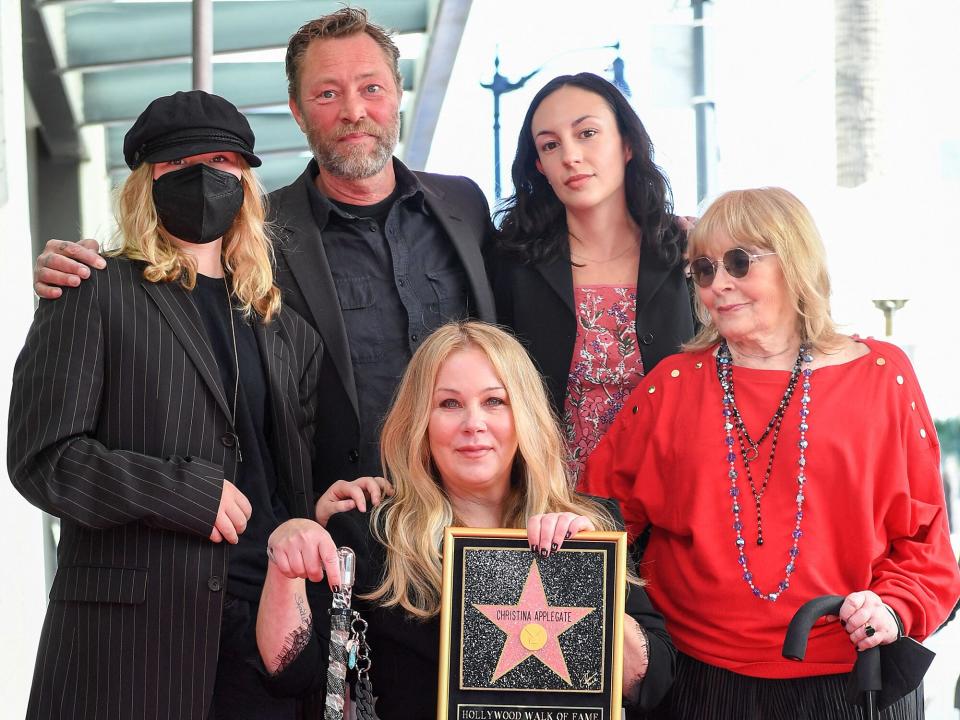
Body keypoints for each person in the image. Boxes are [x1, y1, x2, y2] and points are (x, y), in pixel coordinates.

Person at [30, 7, 496, 492]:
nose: (353, 111)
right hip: (345, 518)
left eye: (371, 87)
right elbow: (176, 296)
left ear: (397, 92)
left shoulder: (463, 205)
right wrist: (76, 267)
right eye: (327, 93)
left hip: (473, 507)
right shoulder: (249, 236)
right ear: (297, 110)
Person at [580, 187, 960, 719]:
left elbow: (925, 543)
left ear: (796, 261)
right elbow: (598, 522)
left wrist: (894, 609)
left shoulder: (882, 376)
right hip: (699, 682)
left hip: (848, 683)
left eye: (740, 262)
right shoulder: (672, 385)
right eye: (705, 269)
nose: (720, 285)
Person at [7, 90, 327, 719]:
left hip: (263, 624)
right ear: (146, 182)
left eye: (223, 163)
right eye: (181, 165)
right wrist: (180, 493)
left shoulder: (283, 327)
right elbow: (42, 458)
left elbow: (290, 479)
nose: (206, 179)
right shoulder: (91, 291)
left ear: (246, 182)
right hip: (130, 643)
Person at [255, 322, 676, 720]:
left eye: (494, 401)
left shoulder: (590, 526)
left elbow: (650, 682)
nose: (473, 424)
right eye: (449, 403)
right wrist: (283, 562)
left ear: (524, 416)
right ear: (420, 422)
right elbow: (294, 674)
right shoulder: (371, 535)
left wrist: (583, 581)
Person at [491, 72, 695, 480]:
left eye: (587, 133)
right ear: (540, 166)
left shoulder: (686, 253)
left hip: (671, 499)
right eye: (550, 145)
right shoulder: (509, 263)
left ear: (627, 144)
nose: (570, 156)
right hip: (550, 511)